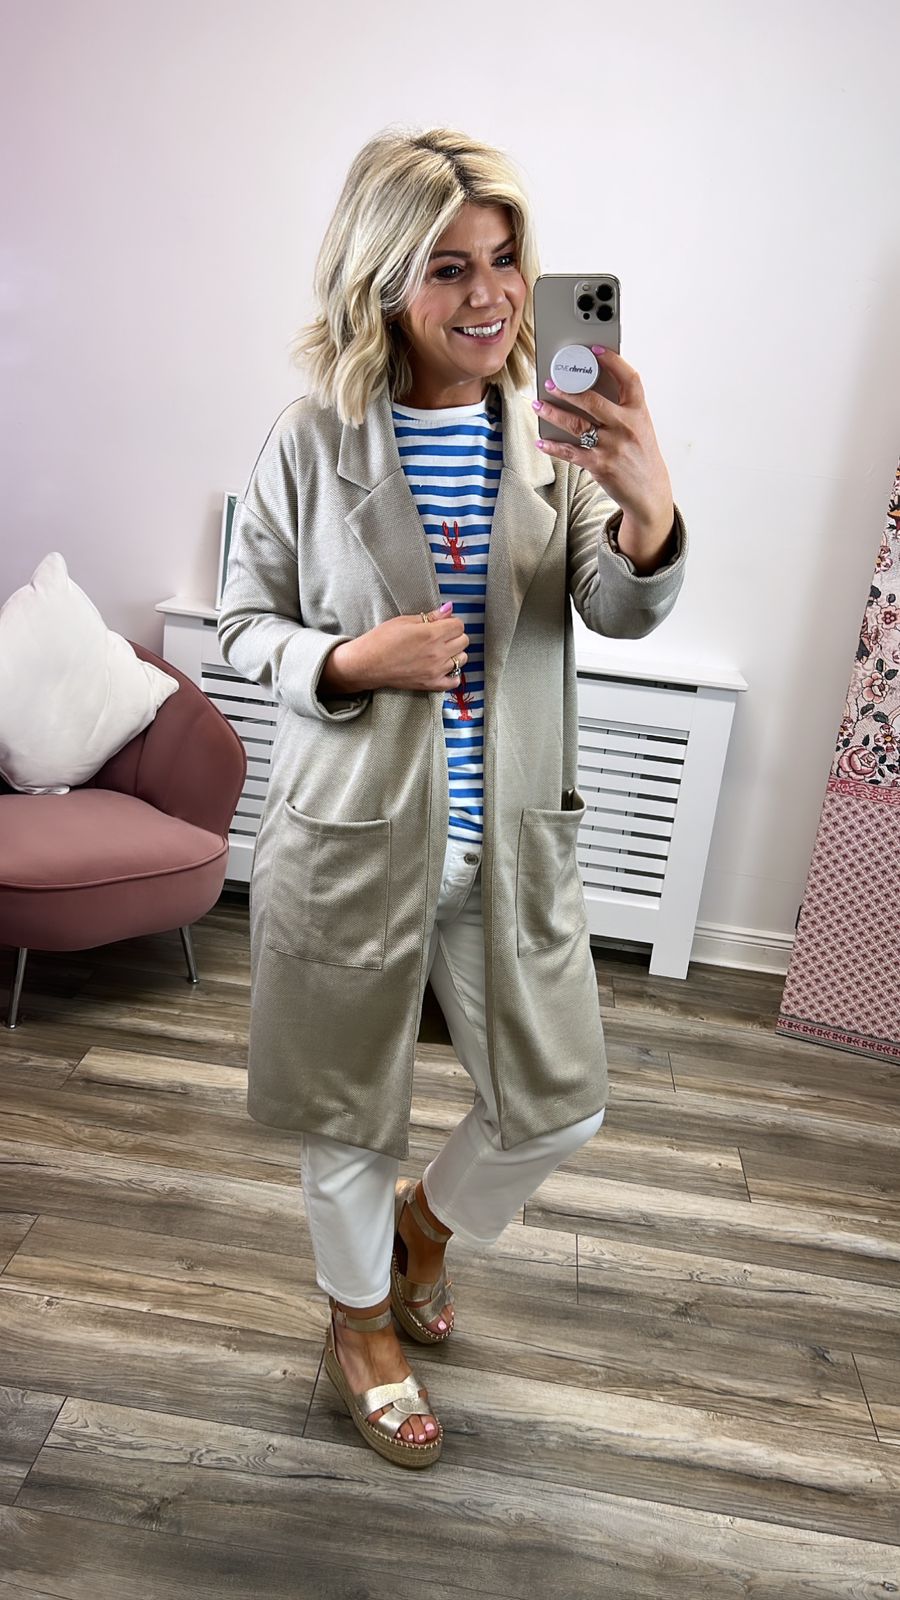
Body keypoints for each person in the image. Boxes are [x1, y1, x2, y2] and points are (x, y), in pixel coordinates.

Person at [217, 125, 687, 1469]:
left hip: (511, 844)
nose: (491, 296)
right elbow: (244, 624)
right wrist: (351, 660)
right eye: (448, 267)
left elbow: (617, 604)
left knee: (559, 1103)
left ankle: (424, 1231)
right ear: (381, 280)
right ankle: (359, 1325)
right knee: (343, 1117)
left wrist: (647, 504)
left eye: (505, 260)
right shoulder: (311, 440)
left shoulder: (552, 438)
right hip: (355, 842)